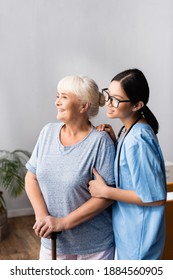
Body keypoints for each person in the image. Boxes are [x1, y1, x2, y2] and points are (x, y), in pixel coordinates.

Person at [25, 75, 115, 260]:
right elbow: (31, 177)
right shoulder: (47, 132)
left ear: (83, 106)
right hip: (52, 241)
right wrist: (42, 218)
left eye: (64, 97)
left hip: (94, 247)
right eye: (58, 96)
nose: (57, 102)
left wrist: (63, 223)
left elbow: (107, 196)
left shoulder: (100, 142)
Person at [88, 68, 167, 260]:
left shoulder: (138, 138)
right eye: (108, 94)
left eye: (116, 99)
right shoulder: (128, 130)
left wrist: (105, 191)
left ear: (137, 104)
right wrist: (116, 141)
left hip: (139, 237)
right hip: (129, 232)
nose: (108, 102)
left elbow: (155, 197)